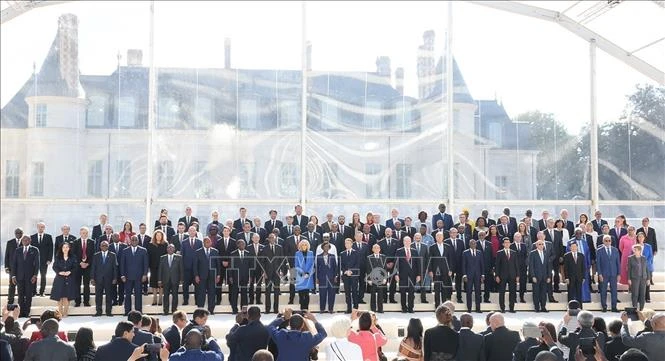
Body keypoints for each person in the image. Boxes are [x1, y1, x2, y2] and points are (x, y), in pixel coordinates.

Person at [11, 235, 39, 318]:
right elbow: (14, 264)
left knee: (28, 295)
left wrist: (35, 275)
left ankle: (27, 312)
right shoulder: (18, 250)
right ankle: (21, 312)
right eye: (23, 240)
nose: (24, 241)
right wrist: (13, 276)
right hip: (19, 277)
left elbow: (37, 264)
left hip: (30, 277)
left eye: (26, 240)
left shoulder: (35, 250)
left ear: (30, 241)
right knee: (20, 295)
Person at [121, 236, 149, 314]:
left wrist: (145, 274)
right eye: (132, 239)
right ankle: (127, 311)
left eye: (135, 240)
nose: (134, 241)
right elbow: (122, 264)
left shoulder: (143, 250)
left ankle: (138, 312)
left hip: (139, 277)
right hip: (128, 277)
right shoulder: (125, 251)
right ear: (130, 241)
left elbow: (145, 264)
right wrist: (122, 275)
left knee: (138, 295)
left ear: (138, 241)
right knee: (127, 295)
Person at [260, 233, 287, 314]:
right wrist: (263, 272)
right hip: (267, 272)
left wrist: (282, 271)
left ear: (275, 239)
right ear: (268, 239)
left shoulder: (279, 247)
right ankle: (267, 309)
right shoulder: (264, 248)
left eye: (273, 238)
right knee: (267, 291)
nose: (272, 239)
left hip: (277, 273)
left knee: (276, 291)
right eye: (270, 238)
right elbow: (262, 261)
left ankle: (276, 309)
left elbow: (282, 260)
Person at [51, 241, 78, 317]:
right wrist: (59, 272)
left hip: (69, 278)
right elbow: (54, 267)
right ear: (61, 249)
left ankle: (65, 312)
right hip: (59, 279)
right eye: (64, 247)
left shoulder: (73, 257)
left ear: (69, 248)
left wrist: (70, 272)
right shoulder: (57, 257)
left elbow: (75, 267)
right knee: (59, 296)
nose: (65, 249)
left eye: (67, 247)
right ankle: (60, 313)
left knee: (67, 296)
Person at [194, 237, 221, 314]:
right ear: (204, 243)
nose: (208, 243)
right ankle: (201, 310)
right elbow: (195, 265)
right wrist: (196, 275)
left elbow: (218, 264)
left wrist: (218, 275)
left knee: (212, 293)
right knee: (201, 293)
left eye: (209, 242)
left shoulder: (215, 251)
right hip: (202, 276)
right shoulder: (198, 252)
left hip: (212, 276)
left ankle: (211, 310)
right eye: (207, 242)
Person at [91, 240, 117, 317]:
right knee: (98, 296)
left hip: (109, 279)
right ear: (100, 247)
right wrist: (92, 278)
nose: (104, 247)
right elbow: (93, 267)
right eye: (102, 245)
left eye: (106, 245)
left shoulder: (113, 255)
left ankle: (108, 312)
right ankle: (98, 311)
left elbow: (115, 268)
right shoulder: (96, 255)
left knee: (109, 296)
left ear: (108, 246)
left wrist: (115, 278)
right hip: (98, 279)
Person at [396, 236, 421, 313]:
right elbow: (396, 263)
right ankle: (404, 308)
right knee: (403, 292)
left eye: (408, 241)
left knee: (411, 292)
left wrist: (418, 275)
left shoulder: (414, 251)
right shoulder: (399, 251)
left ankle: (410, 308)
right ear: (403, 242)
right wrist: (396, 274)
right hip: (402, 275)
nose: (407, 242)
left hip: (412, 275)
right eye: (405, 241)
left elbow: (418, 264)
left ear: (411, 242)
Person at [596, 235, 620, 312]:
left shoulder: (615, 250)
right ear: (603, 241)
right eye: (606, 240)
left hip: (613, 273)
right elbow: (598, 263)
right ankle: (604, 307)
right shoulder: (599, 250)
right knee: (603, 291)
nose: (608, 242)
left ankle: (614, 307)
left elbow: (618, 263)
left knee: (614, 291)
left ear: (611, 241)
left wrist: (619, 274)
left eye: (609, 240)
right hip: (604, 274)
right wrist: (599, 274)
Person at [495, 237, 518, 313]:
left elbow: (516, 265)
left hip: (512, 275)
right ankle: (502, 308)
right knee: (502, 292)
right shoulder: (499, 253)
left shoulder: (514, 252)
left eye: (508, 242)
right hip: (502, 275)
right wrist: (497, 275)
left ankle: (512, 308)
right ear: (503, 244)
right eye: (505, 243)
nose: (507, 244)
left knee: (512, 292)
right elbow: (497, 265)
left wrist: (517, 275)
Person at [158, 243, 183, 315]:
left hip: (175, 280)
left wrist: (181, 279)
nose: (170, 249)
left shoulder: (179, 257)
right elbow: (160, 269)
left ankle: (174, 310)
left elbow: (181, 269)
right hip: (165, 280)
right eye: (169, 248)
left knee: (175, 295)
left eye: (172, 248)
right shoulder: (162, 257)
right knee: (165, 296)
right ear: (167, 249)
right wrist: (159, 280)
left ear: (174, 249)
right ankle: (165, 311)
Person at [73, 227, 95, 307]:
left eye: (86, 233)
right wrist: (80, 263)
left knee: (86, 285)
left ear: (88, 233)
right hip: (78, 267)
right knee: (77, 285)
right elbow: (73, 255)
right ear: (80, 233)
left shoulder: (92, 242)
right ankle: (77, 302)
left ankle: (86, 301)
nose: (84, 234)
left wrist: (88, 263)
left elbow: (93, 254)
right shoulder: (76, 242)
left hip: (88, 267)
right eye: (83, 233)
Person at [30, 222, 53, 297]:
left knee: (43, 276)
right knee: (34, 276)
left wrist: (49, 259)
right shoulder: (32, 237)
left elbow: (51, 249)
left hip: (44, 261)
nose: (41, 228)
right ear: (37, 227)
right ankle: (33, 291)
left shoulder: (48, 237)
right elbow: (30, 249)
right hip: (34, 261)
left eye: (42, 227)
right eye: (40, 227)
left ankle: (42, 291)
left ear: (44, 228)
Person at [181, 226, 203, 306]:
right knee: (185, 286)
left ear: (196, 232)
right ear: (188, 232)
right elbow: (182, 256)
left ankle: (197, 301)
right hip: (186, 269)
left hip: (196, 269)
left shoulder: (200, 242)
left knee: (197, 287)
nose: (192, 232)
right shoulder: (184, 242)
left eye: (193, 231)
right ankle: (185, 301)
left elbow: (201, 256)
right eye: (190, 231)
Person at [529, 239, 551, 313]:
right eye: (539, 244)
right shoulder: (533, 253)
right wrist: (533, 276)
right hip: (536, 277)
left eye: (542, 244)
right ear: (536, 245)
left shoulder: (546, 253)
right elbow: (531, 266)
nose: (541, 246)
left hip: (544, 277)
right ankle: (537, 307)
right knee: (536, 292)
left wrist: (549, 276)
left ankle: (543, 307)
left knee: (543, 293)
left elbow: (548, 266)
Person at [229, 240, 252, 314]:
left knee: (244, 294)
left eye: (244, 244)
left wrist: (250, 276)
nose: (242, 245)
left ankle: (244, 311)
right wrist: (230, 277)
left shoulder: (248, 254)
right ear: (237, 245)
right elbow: (230, 267)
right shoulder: (233, 254)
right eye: (241, 244)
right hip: (235, 277)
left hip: (245, 277)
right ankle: (234, 310)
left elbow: (250, 267)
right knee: (234, 294)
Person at [462, 239, 484, 313]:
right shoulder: (465, 253)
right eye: (471, 243)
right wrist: (464, 275)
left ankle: (478, 308)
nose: (473, 244)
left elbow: (482, 264)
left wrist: (482, 275)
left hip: (478, 275)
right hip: (469, 275)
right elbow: (463, 265)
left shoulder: (479, 253)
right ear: (469, 244)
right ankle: (469, 309)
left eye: (474, 243)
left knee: (478, 292)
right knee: (469, 292)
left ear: (476, 244)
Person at [147, 230, 168, 306]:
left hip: (162, 267)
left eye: (160, 235)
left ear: (162, 236)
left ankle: (160, 299)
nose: (158, 236)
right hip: (153, 267)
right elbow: (148, 256)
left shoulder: (165, 244)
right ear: (154, 236)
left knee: (161, 283)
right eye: (157, 235)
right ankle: (154, 298)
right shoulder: (150, 245)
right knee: (153, 283)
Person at [316, 242, 338, 314]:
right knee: (322, 294)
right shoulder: (319, 256)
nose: (326, 248)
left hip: (331, 278)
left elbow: (335, 267)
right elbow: (317, 268)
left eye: (328, 247)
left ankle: (331, 309)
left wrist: (335, 276)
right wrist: (317, 278)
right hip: (322, 278)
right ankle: (322, 309)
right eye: (325, 246)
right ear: (322, 248)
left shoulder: (332, 256)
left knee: (331, 294)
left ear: (329, 248)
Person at [294, 240, 315, 311]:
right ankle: (302, 309)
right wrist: (302, 274)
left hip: (308, 277)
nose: (304, 246)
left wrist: (308, 274)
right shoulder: (297, 253)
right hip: (300, 276)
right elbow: (296, 265)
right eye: (302, 245)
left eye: (305, 245)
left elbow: (312, 265)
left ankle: (306, 310)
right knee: (301, 294)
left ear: (307, 246)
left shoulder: (311, 253)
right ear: (300, 246)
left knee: (306, 294)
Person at [4, 228, 23, 305]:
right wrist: (6, 267)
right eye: (17, 233)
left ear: (22, 233)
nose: (18, 234)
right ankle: (10, 300)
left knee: (20, 285)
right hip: (12, 268)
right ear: (15, 233)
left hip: (22, 268)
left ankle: (20, 300)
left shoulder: (25, 242)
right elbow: (7, 255)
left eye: (20, 233)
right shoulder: (10, 242)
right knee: (12, 284)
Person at [627, 244, 648, 310]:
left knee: (642, 294)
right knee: (635, 294)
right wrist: (629, 278)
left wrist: (648, 279)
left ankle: (641, 309)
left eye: (636, 250)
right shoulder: (630, 258)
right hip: (634, 278)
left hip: (643, 278)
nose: (634, 251)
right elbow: (629, 269)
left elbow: (647, 269)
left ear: (640, 251)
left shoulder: (644, 258)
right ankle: (635, 309)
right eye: (634, 250)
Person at [635, 232, 654, 303]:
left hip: (647, 266)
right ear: (637, 238)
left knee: (647, 282)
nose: (640, 238)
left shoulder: (648, 246)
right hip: (638, 267)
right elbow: (633, 255)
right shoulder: (635, 246)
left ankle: (647, 297)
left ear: (644, 238)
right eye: (639, 237)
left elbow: (650, 256)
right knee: (639, 283)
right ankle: (640, 297)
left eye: (642, 237)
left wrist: (645, 263)